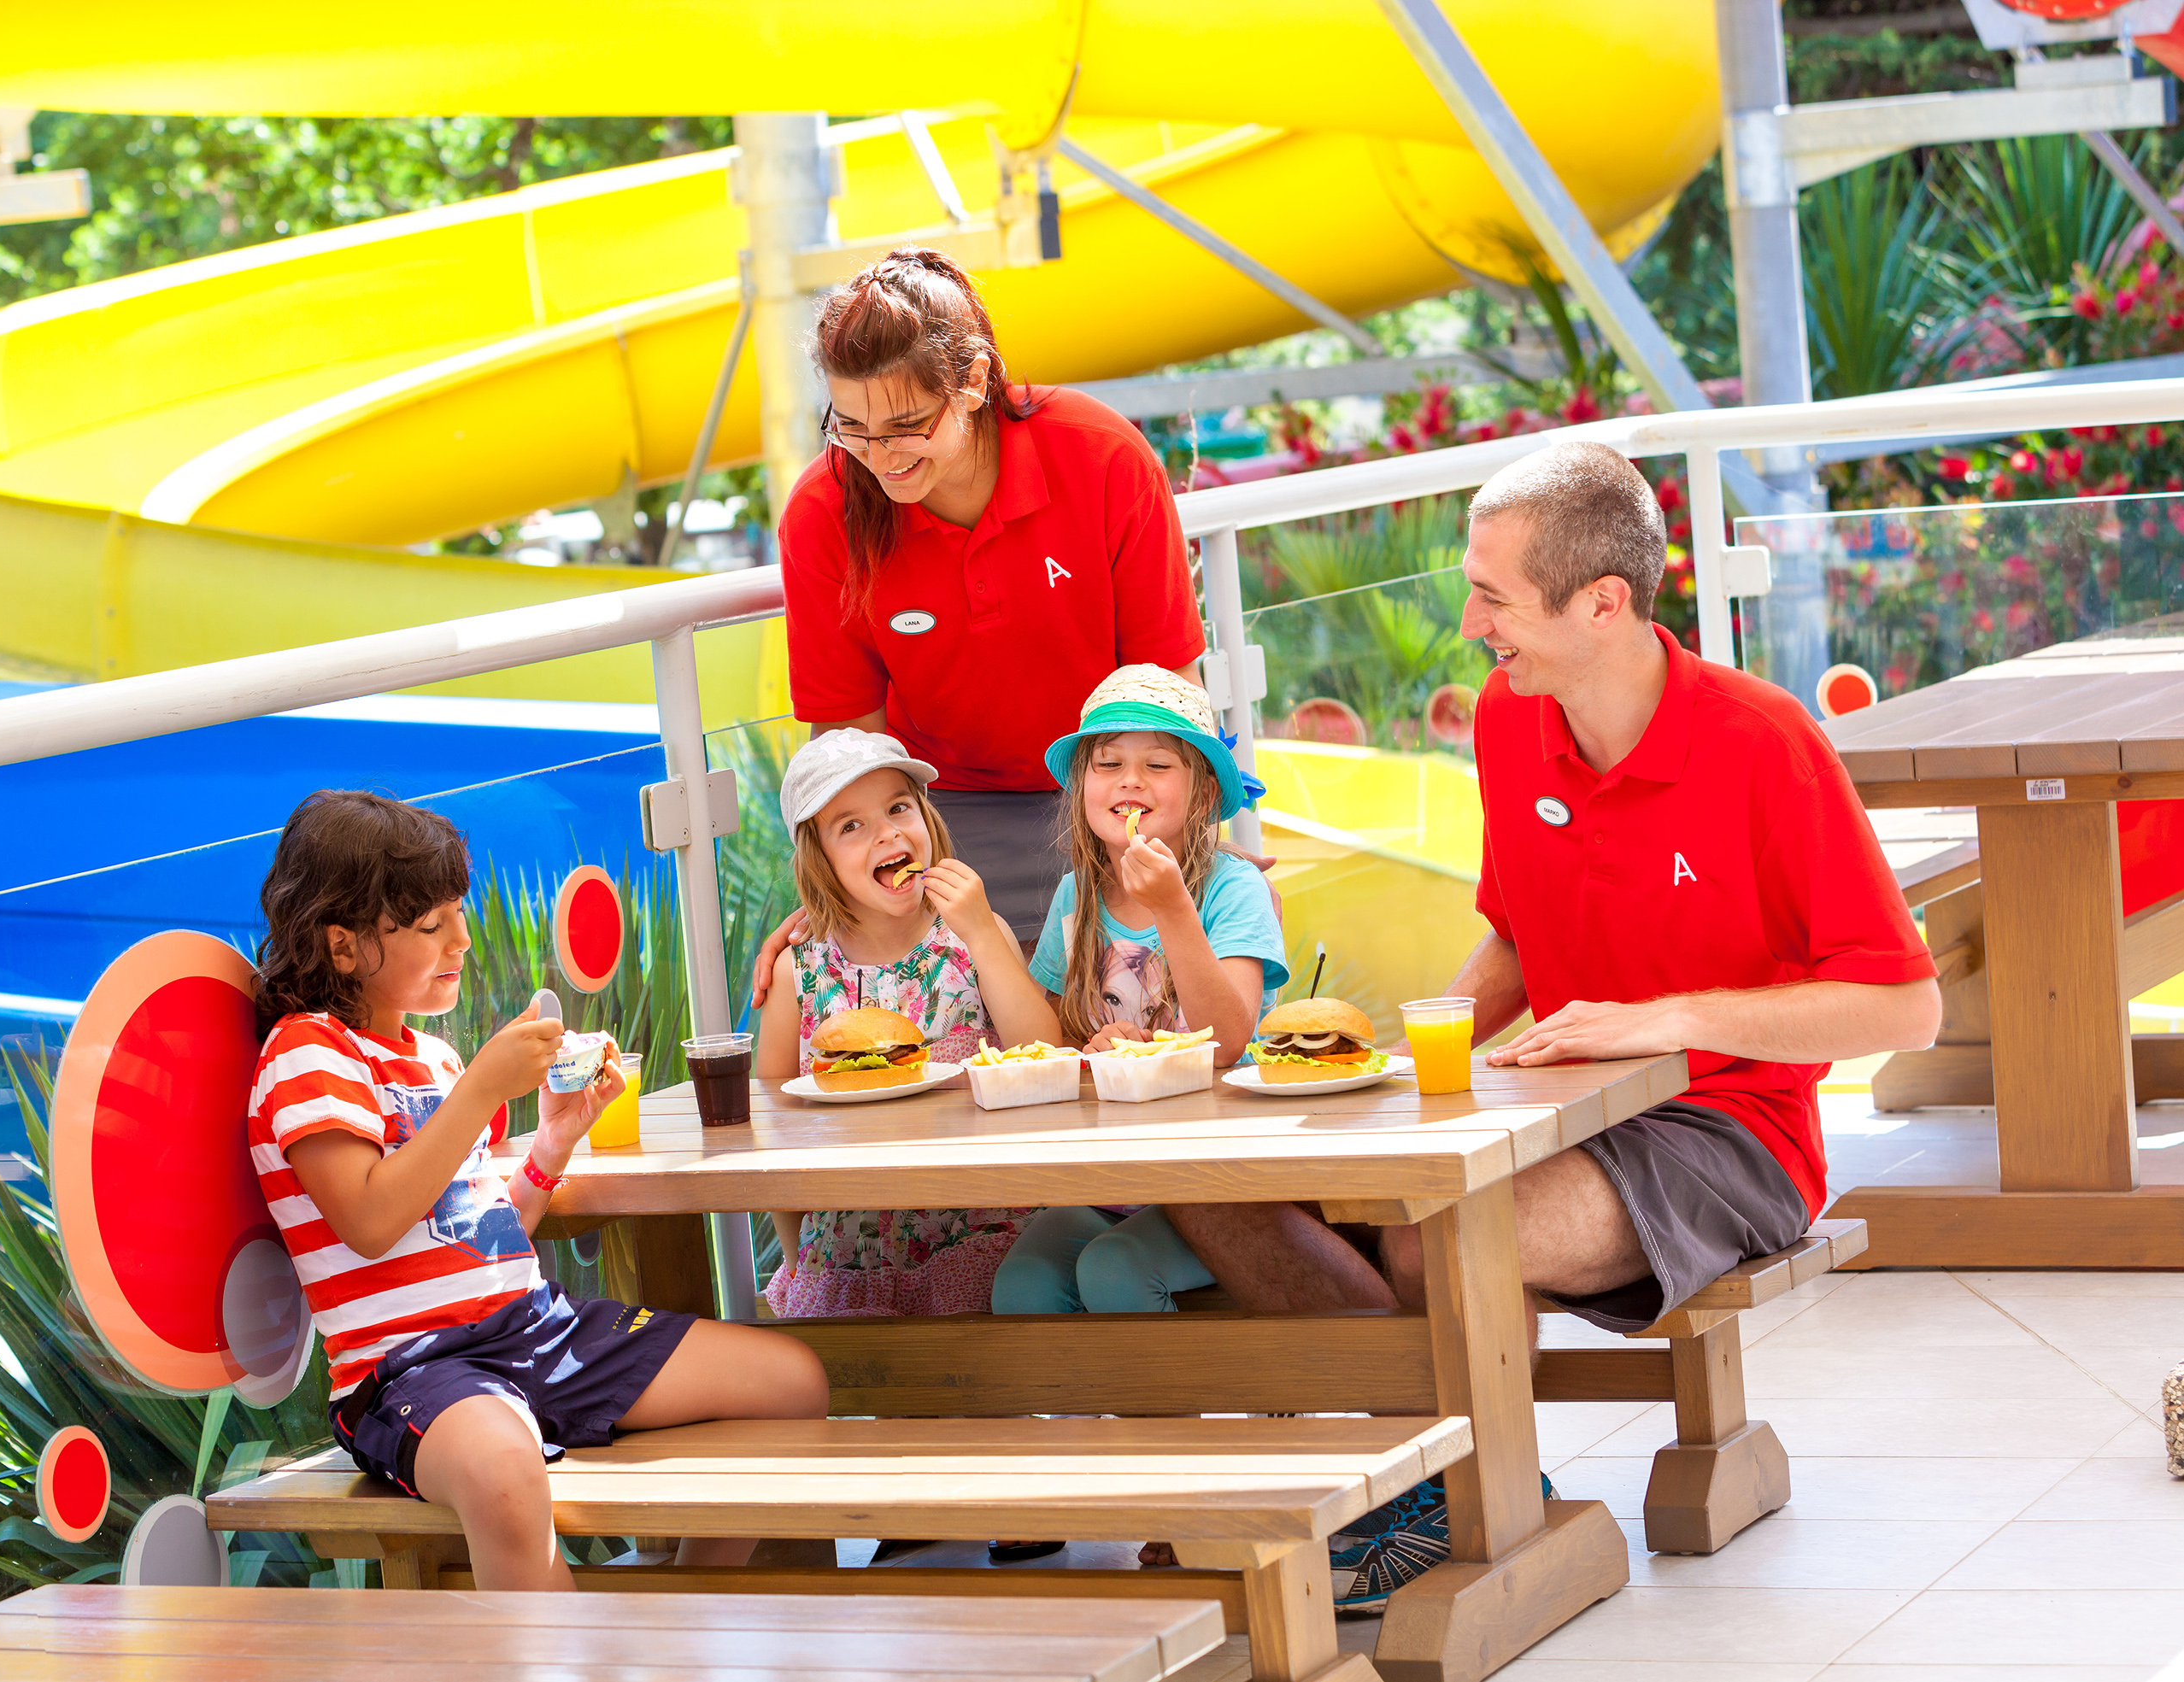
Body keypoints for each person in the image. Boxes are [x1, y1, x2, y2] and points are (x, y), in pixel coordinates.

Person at [1159, 442, 1941, 1612]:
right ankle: (1436, 1473)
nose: (1472, 619)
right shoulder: (1509, 719)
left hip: (1726, 1127)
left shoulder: (1763, 741)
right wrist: (1368, 1068)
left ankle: (1449, 1504)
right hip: (1547, 1103)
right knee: (1219, 1177)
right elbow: (1519, 944)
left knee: (1440, 1233)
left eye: (1493, 594)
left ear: (1603, 602)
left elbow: (1904, 1003)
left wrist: (1664, 1020)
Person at [246, 790, 830, 1591]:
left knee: (792, 1383)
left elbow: (480, 1237)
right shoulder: (306, 1056)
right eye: (429, 925)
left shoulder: (433, 1059)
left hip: (530, 1330)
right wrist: (484, 1088)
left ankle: (684, 1616)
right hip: (410, 1374)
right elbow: (372, 1219)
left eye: (457, 911)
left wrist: (554, 1138)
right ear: (342, 946)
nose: (461, 938)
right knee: (503, 1470)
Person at [772, 247, 1208, 947]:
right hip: (939, 818)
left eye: (906, 424)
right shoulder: (823, 512)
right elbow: (848, 756)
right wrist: (838, 909)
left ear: (973, 381)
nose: (880, 458)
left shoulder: (1101, 456)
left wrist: (1197, 856)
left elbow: (1171, 696)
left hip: (1107, 791)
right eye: (850, 426)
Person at [990, 665, 1287, 1318]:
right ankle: (1084, 1423)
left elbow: (1228, 1038)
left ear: (1203, 794)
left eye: (1157, 764)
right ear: (1081, 790)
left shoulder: (1232, 891)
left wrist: (1173, 909)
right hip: (1113, 1177)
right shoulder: (1077, 897)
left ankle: (1165, 1423)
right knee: (1020, 1286)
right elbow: (1053, 1038)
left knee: (1115, 1269)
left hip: (1222, 1179)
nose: (1129, 780)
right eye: (1107, 764)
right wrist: (1094, 1043)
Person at [752, 730, 1064, 1317]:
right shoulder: (799, 972)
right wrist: (800, 1263)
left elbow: (1044, 1055)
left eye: (898, 807)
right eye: (851, 825)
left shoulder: (974, 935)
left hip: (984, 1235)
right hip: (845, 1257)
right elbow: (771, 1131)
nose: (887, 832)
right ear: (817, 859)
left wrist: (979, 931)